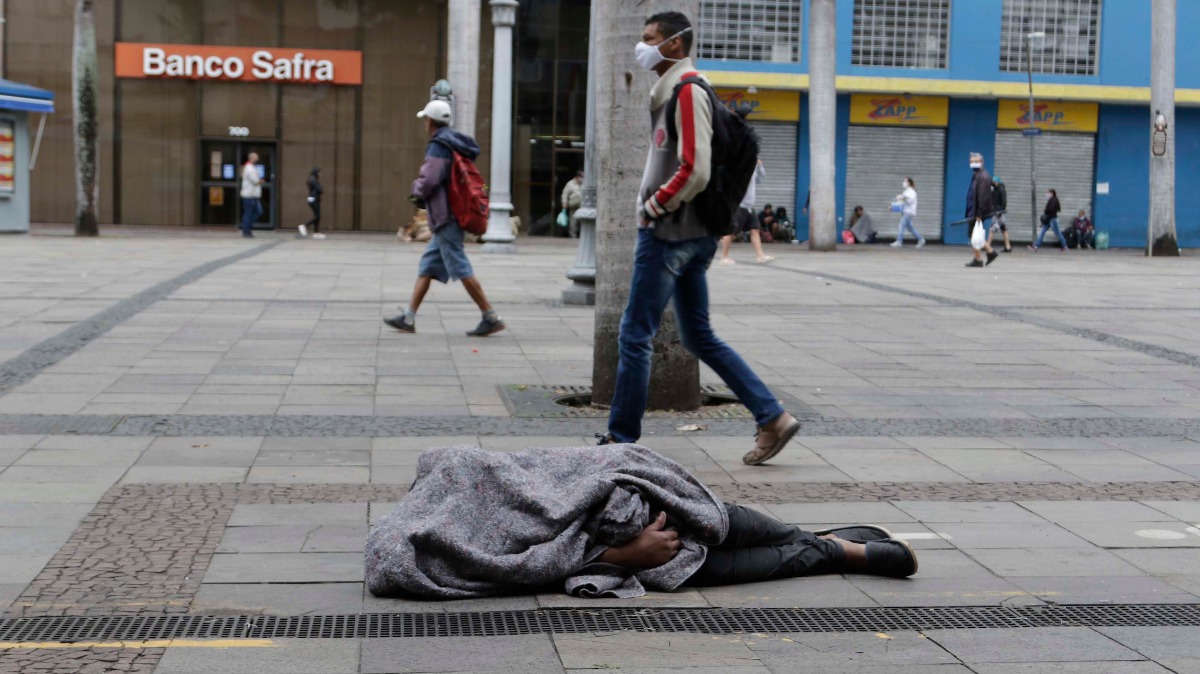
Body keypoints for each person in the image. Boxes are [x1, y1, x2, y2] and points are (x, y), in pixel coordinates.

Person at [597, 11, 801, 466]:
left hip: (670, 234)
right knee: (698, 336)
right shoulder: (680, 89)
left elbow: (695, 168)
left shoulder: (687, 91)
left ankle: (620, 440)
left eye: (649, 38)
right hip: (694, 233)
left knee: (635, 334)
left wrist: (654, 206)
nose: (642, 46)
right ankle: (772, 417)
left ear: (674, 44)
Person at [366, 444, 918, 601]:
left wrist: (626, 493)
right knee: (713, 567)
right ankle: (840, 551)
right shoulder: (420, 553)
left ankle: (818, 539)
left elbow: (550, 471)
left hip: (629, 495)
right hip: (619, 547)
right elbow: (515, 569)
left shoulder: (454, 469)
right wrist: (616, 558)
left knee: (728, 524)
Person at [383, 100, 505, 337]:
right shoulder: (454, 142)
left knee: (460, 266)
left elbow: (429, 179)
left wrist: (416, 189)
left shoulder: (438, 146)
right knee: (428, 266)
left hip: (447, 216)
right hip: (450, 215)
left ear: (429, 121)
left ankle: (490, 316)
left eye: (425, 120)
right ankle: (408, 317)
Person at [719, 158, 770, 264]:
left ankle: (760, 256)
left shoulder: (753, 168)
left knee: (755, 230)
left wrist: (760, 167)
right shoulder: (739, 168)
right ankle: (724, 257)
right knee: (731, 232)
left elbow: (759, 180)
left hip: (750, 206)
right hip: (740, 205)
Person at [964, 152, 999, 268]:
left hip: (977, 212)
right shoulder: (977, 175)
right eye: (971, 161)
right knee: (974, 235)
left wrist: (979, 214)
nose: (973, 163)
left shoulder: (983, 176)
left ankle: (986, 254)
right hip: (974, 211)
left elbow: (983, 197)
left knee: (974, 235)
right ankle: (982, 256)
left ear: (982, 162)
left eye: (976, 161)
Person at [890, 177, 925, 248]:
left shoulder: (912, 192)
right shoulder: (906, 191)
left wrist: (903, 197)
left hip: (909, 212)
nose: (903, 182)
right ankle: (921, 239)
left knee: (901, 225)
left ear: (909, 182)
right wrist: (893, 207)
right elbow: (902, 203)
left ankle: (899, 241)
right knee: (910, 228)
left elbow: (910, 201)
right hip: (906, 211)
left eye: (905, 181)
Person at [1029, 188, 1066, 253]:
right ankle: (1036, 246)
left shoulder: (1053, 200)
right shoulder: (1053, 199)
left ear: (1052, 193)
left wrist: (1045, 211)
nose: (1047, 194)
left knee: (1058, 233)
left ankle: (1064, 246)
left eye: (1048, 193)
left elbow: (1051, 210)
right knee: (1042, 232)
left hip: (1052, 220)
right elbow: (1057, 209)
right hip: (1049, 219)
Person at [239, 152, 263, 239]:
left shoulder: (251, 167)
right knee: (250, 213)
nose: (257, 159)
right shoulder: (249, 168)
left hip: (253, 195)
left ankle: (247, 228)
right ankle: (246, 230)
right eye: (256, 157)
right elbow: (255, 181)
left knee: (256, 212)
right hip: (249, 195)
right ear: (252, 158)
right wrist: (261, 181)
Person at [988, 176, 1012, 253]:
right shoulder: (995, 189)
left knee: (992, 229)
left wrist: (1000, 211)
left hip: (998, 213)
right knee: (1003, 229)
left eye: (994, 181)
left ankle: (987, 246)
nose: (993, 183)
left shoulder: (1001, 189)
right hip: (998, 212)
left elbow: (1004, 202)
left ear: (997, 182)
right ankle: (1008, 247)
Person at [298, 167, 324, 239]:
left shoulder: (313, 179)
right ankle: (304, 226)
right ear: (316, 173)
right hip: (313, 199)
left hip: (314, 199)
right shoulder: (313, 179)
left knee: (317, 216)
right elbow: (320, 189)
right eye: (319, 173)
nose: (320, 174)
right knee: (317, 216)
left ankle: (316, 233)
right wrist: (321, 188)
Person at [561, 170, 584, 238]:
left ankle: (581, 234)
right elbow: (565, 194)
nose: (582, 178)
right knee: (573, 221)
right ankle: (572, 234)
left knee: (582, 221)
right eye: (581, 177)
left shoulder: (584, 184)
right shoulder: (570, 184)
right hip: (573, 205)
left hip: (582, 206)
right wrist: (564, 203)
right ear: (577, 177)